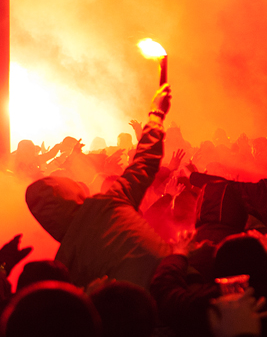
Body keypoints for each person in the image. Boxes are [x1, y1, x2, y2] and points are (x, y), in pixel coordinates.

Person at [26, 84, 173, 289]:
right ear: (70, 193)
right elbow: (144, 162)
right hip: (176, 280)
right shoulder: (110, 202)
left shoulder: (65, 264)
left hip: (141, 306)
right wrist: (156, 115)